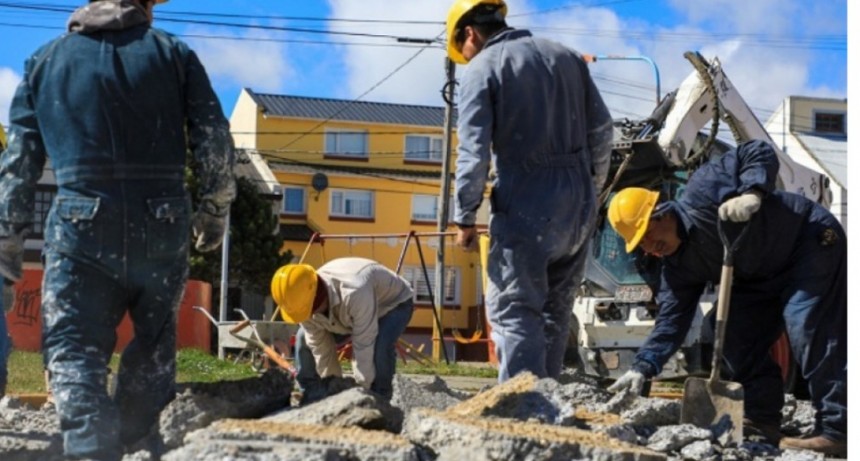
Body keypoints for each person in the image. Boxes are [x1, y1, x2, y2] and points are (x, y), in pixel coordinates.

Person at [0, 0, 236, 458]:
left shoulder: (45, 61)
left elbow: (18, 165)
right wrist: (214, 209)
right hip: (162, 221)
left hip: (79, 222)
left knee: (73, 347)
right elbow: (214, 137)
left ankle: (91, 448)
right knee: (153, 343)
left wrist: (8, 241)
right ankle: (136, 443)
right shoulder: (173, 54)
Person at [605, 140, 846, 455]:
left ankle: (837, 428)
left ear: (661, 212)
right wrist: (643, 366)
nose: (650, 248)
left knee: (806, 327)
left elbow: (756, 150)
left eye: (648, 235)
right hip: (758, 276)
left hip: (807, 242)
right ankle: (762, 419)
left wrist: (752, 191)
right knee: (731, 333)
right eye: (641, 244)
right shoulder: (677, 269)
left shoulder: (704, 188)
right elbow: (670, 323)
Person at [447, 0, 614, 382]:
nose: (465, 58)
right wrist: (591, 190)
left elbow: (474, 153)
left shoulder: (483, 69)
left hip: (527, 203)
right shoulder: (568, 57)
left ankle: (523, 412)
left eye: (463, 50)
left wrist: (465, 216)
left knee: (515, 310)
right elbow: (603, 130)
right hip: (578, 206)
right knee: (556, 313)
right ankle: (548, 409)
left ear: (469, 34)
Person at [271, 258, 415, 403]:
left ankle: (380, 398)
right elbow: (321, 349)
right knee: (303, 337)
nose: (306, 316)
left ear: (315, 298)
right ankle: (311, 392)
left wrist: (361, 391)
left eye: (307, 311)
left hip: (394, 304)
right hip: (349, 313)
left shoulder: (354, 291)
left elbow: (364, 344)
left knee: (380, 345)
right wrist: (333, 390)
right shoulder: (299, 302)